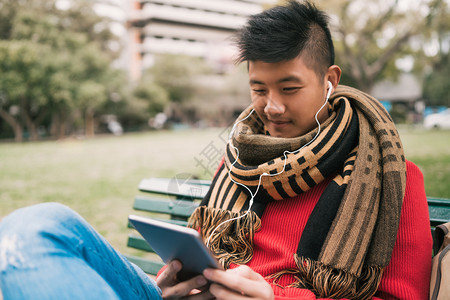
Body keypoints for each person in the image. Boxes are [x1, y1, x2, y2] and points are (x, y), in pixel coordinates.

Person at [0, 1, 432, 299]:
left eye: (290, 88)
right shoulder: (238, 157)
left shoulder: (393, 178)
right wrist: (175, 283)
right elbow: (204, 255)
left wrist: (275, 296)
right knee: (39, 225)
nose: (272, 106)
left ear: (329, 78)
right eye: (259, 88)